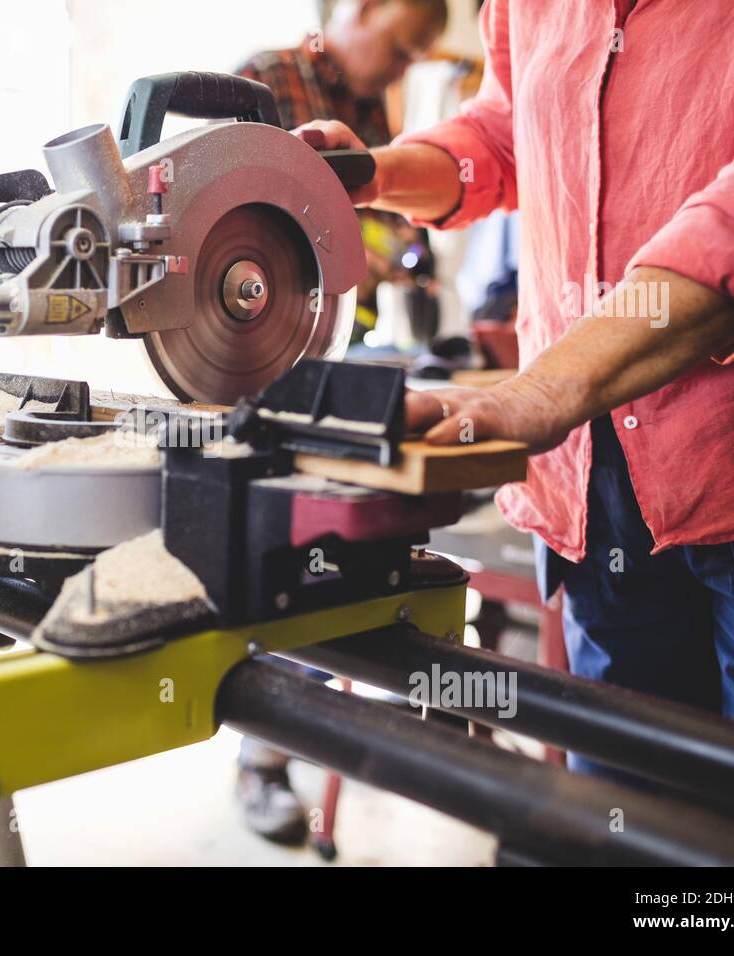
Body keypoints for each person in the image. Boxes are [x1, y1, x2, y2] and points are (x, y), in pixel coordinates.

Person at [297, 0, 734, 777]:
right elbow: (509, 132)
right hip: (589, 477)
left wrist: (540, 391)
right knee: (617, 806)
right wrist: (378, 173)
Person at [231, 0, 448, 844]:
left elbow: (369, 234)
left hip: (331, 358)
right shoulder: (263, 80)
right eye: (398, 49)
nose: (398, 71)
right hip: (251, 358)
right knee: (273, 552)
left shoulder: (365, 110)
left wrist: (404, 260)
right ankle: (262, 758)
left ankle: (345, 729)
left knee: (338, 553)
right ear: (361, 10)